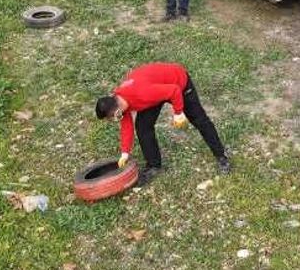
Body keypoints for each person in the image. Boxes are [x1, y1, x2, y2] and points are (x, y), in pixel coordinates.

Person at [95, 62, 230, 186]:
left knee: (199, 120)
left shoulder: (142, 93)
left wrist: (178, 113)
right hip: (155, 88)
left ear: (116, 110)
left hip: (178, 82)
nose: (115, 119)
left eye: (113, 117)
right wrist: (125, 152)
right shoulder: (119, 100)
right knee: (143, 127)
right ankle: (154, 166)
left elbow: (174, 90)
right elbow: (126, 127)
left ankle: (221, 156)